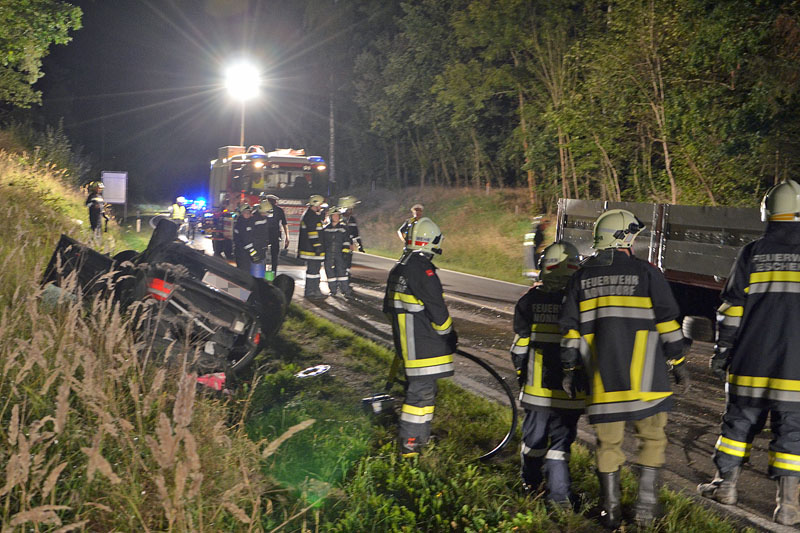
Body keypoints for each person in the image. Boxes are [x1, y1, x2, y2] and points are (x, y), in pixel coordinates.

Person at [559, 209, 689, 528]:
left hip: (603, 380)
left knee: (608, 444)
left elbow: (570, 331)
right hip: (647, 379)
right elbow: (669, 322)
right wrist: (679, 362)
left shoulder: (581, 277)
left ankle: (610, 510)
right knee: (653, 439)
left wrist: (570, 369)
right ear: (625, 238)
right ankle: (646, 507)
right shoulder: (646, 273)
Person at [697, 179, 800, 526]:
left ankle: (726, 486)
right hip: (796, 368)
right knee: (793, 433)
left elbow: (731, 310)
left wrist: (722, 352)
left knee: (737, 427)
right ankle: (787, 508)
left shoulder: (752, 252)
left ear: (768, 212)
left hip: (751, 361)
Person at [511, 241, 583, 507]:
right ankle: (560, 496)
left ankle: (530, 484)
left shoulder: (529, 301)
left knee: (534, 441)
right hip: (570, 393)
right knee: (561, 445)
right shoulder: (582, 304)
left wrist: (521, 373)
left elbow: (519, 346)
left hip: (537, 392)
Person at [383, 217, 457, 456]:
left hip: (408, 345)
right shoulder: (422, 270)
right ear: (429, 242)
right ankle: (410, 445)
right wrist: (448, 334)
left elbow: (388, 308)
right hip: (423, 347)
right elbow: (438, 310)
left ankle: (419, 436)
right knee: (420, 397)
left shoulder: (401, 266)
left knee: (423, 394)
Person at [298, 194, 327, 298]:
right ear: (316, 204)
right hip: (312, 250)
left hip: (312, 250)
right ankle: (311, 291)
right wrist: (317, 246)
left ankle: (315, 290)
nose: (321, 207)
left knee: (315, 271)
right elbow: (312, 233)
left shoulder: (311, 215)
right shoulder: (311, 216)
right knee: (313, 271)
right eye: (320, 205)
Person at [322, 207, 352, 298]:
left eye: (337, 215)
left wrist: (345, 253)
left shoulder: (343, 228)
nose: (336, 217)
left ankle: (345, 291)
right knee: (329, 272)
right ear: (331, 217)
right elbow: (323, 242)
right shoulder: (326, 229)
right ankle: (333, 290)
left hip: (340, 254)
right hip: (328, 254)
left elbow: (347, 241)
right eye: (334, 215)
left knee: (342, 272)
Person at [339, 196, 363, 295]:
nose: (352, 210)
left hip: (349, 247)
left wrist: (360, 245)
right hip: (339, 247)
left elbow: (355, 233)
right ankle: (339, 284)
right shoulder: (338, 218)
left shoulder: (352, 219)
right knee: (339, 265)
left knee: (347, 265)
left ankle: (346, 282)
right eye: (350, 208)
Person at [261, 193, 289, 274]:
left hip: (264, 234)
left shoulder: (263, 209)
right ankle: (272, 274)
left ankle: (262, 273)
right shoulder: (279, 210)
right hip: (275, 235)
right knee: (274, 257)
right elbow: (284, 224)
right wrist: (287, 237)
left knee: (262, 255)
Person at [232, 203, 257, 271]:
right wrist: (254, 253)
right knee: (244, 272)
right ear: (241, 213)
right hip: (242, 253)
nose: (248, 214)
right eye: (246, 212)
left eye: (249, 212)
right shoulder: (241, 224)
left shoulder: (246, 222)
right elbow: (245, 241)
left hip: (243, 252)